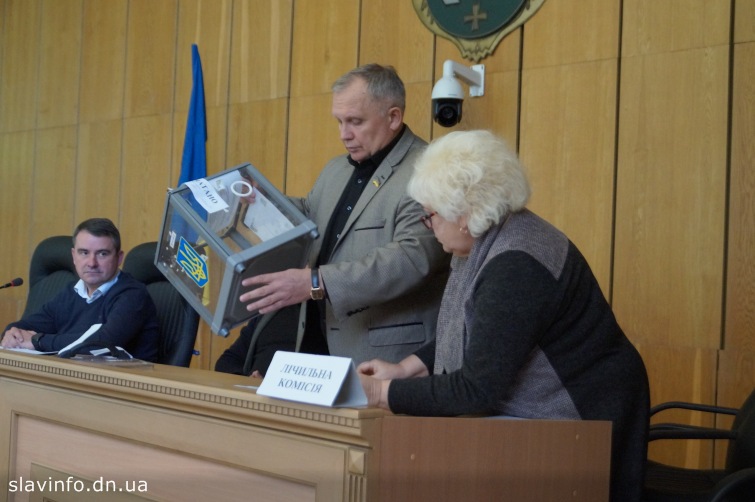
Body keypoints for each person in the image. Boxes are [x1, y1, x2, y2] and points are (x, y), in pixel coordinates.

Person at [358, 130, 649, 502]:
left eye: (430, 215)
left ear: (464, 213)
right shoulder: (482, 241)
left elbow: (477, 389)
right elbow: (471, 332)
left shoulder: (516, 265)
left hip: (581, 415)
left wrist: (381, 393)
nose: (429, 227)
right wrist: (403, 370)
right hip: (550, 415)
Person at [216, 63, 449, 376]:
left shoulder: (428, 170)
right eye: (339, 121)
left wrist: (315, 283)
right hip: (318, 342)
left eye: (355, 122)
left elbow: (411, 259)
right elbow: (308, 216)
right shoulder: (336, 169)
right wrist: (261, 199)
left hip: (387, 357)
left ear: (393, 117)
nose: (344, 134)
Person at [1, 218, 159, 361]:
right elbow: (26, 325)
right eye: (84, 253)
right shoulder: (72, 292)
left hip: (125, 381)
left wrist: (38, 341)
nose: (92, 263)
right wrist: (12, 334)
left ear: (119, 258)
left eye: (102, 254)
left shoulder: (133, 295)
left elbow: (101, 343)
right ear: (73, 256)